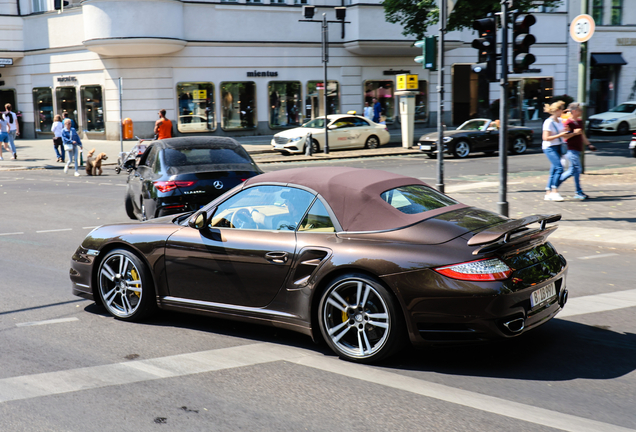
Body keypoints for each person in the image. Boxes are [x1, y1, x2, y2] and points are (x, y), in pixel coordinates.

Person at [559, 103, 597, 200]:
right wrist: (574, 133)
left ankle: (554, 184)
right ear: (574, 111)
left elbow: (582, 135)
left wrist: (589, 144)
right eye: (580, 110)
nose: (582, 112)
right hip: (571, 149)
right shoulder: (568, 123)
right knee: (577, 169)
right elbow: (564, 136)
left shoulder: (579, 121)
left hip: (578, 149)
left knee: (573, 170)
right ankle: (578, 192)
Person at [542, 101, 572, 201]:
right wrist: (560, 135)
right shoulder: (548, 122)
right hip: (549, 147)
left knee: (554, 170)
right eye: (562, 110)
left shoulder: (559, 120)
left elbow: (564, 134)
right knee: (559, 168)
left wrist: (570, 133)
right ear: (557, 110)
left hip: (558, 146)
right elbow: (545, 138)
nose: (563, 112)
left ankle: (548, 193)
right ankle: (554, 191)